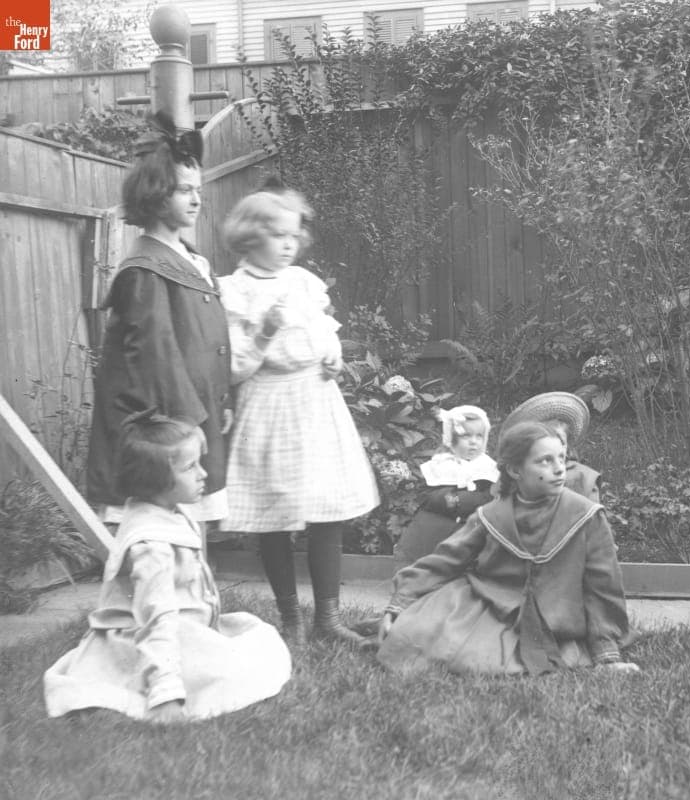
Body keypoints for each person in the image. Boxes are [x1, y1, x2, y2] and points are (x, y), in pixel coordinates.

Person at [44, 408, 291, 723]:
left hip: (185, 625)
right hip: (145, 638)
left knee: (256, 634)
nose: (203, 474)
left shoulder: (168, 511)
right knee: (236, 671)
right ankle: (152, 686)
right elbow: (156, 616)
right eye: (190, 467)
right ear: (155, 480)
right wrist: (166, 692)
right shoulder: (152, 545)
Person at [218, 184, 379, 646]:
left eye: (294, 236)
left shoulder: (304, 282)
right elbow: (235, 367)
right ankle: (291, 618)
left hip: (315, 402)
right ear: (250, 238)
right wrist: (266, 332)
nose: (290, 244)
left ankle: (328, 618)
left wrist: (333, 355)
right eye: (278, 236)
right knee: (276, 515)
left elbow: (324, 331)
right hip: (269, 404)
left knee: (327, 509)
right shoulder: (234, 291)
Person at [376, 421, 639, 676]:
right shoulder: (490, 514)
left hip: (556, 614)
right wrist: (399, 604)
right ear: (514, 470)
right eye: (545, 461)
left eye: (561, 458)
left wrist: (606, 653)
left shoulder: (587, 515)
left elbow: (603, 585)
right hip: (493, 603)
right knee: (414, 635)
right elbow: (445, 561)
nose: (559, 469)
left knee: (482, 659)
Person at [87, 112, 231, 532]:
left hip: (197, 414)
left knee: (189, 522)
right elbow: (157, 359)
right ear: (154, 194)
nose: (196, 199)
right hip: (168, 427)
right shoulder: (145, 270)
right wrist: (190, 422)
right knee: (160, 527)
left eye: (198, 190)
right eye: (184, 190)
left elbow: (207, 339)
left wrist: (222, 402)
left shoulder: (191, 259)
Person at [394, 405, 500, 566]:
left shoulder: (488, 468)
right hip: (436, 526)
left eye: (479, 436)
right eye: (466, 436)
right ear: (451, 438)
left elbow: (490, 497)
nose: (473, 442)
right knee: (424, 545)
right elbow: (429, 496)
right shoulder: (441, 464)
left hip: (471, 527)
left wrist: (463, 500)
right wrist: (455, 500)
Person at [500, 392, 601, 501]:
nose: (552, 447)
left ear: (566, 446)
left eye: (560, 441)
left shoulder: (582, 479)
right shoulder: (517, 475)